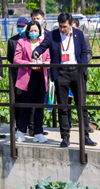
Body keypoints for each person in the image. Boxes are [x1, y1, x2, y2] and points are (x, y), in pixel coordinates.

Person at [33, 12, 95, 148]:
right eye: (60, 26)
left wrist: (82, 67)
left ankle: (85, 136)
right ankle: (65, 137)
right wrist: (36, 51)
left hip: (76, 73)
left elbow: (85, 53)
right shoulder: (53, 35)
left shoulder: (79, 35)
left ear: (71, 24)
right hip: (61, 74)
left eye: (65, 26)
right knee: (63, 107)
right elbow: (43, 46)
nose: (62, 29)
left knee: (82, 106)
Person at [14, 21, 49, 143]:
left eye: (36, 30)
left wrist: (45, 64)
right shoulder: (22, 42)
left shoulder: (43, 43)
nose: (34, 33)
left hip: (41, 75)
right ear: (27, 31)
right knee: (26, 104)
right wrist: (30, 64)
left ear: (40, 31)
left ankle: (38, 132)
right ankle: (21, 131)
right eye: (31, 30)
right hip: (28, 76)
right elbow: (16, 60)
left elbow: (49, 58)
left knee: (40, 105)